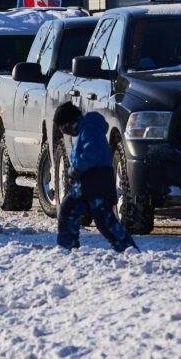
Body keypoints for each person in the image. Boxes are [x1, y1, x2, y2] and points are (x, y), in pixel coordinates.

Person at [55, 106, 139, 252]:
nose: (63, 131)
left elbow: (91, 152)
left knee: (104, 220)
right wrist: (72, 171)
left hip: (97, 182)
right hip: (85, 185)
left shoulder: (90, 129)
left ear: (71, 122)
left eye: (62, 127)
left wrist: (76, 168)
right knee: (67, 210)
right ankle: (67, 246)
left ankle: (127, 248)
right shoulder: (85, 130)